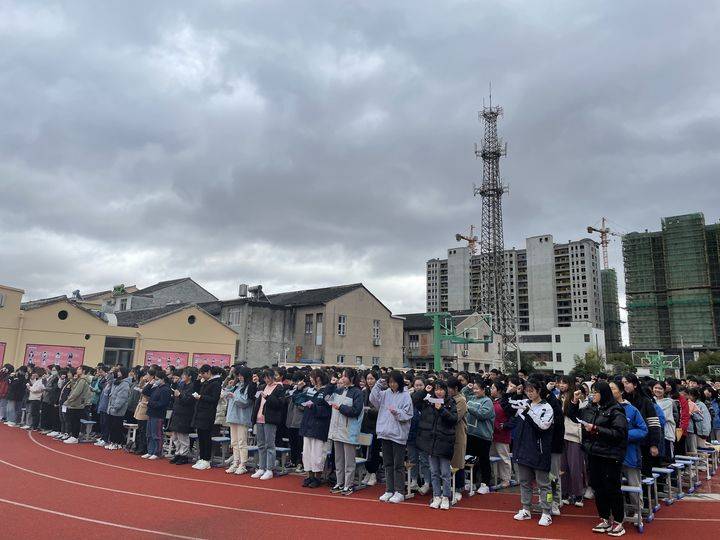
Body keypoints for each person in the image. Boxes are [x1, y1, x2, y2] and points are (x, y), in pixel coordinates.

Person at [568, 381, 628, 537]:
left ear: (604, 393)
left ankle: (619, 521)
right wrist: (574, 401)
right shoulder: (591, 409)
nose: (593, 395)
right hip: (594, 453)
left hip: (611, 454)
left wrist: (596, 429)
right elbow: (573, 416)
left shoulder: (616, 410)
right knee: (598, 487)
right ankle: (605, 518)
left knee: (612, 488)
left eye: (596, 392)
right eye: (592, 392)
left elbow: (619, 434)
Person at [511, 379, 555, 527]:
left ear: (539, 391)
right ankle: (526, 509)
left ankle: (547, 512)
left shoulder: (547, 407)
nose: (529, 393)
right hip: (523, 449)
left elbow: (543, 426)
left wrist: (529, 412)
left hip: (540, 451)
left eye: (532, 391)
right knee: (524, 482)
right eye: (527, 391)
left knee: (544, 484)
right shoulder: (524, 404)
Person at [371, 370, 413, 504]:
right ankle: (389, 489)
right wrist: (378, 384)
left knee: (398, 465)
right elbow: (373, 399)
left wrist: (397, 413)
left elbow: (408, 414)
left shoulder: (406, 395)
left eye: (394, 382)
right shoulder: (386, 393)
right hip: (385, 432)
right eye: (390, 382)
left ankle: (399, 491)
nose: (392, 385)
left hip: (398, 434)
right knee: (388, 463)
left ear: (399, 382)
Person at [417, 379, 457, 510]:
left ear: (446, 391)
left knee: (445, 472)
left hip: (445, 441)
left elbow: (453, 420)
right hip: (431, 441)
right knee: (433, 471)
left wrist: (442, 410)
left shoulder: (451, 402)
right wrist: (424, 391)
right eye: (436, 389)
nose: (439, 392)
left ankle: (446, 496)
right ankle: (436, 496)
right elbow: (415, 402)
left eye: (441, 389)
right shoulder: (429, 402)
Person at [611, 380, 648, 521]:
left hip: (630, 454)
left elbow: (643, 430)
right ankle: (618, 512)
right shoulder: (604, 409)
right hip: (611, 454)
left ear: (621, 392)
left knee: (633, 484)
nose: (610, 391)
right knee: (614, 486)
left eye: (613, 389)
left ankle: (637, 510)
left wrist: (625, 435)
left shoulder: (631, 410)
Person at [327, 367, 365, 496]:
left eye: (344, 376)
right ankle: (339, 482)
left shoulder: (357, 393)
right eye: (341, 376)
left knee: (349, 460)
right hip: (337, 430)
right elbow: (326, 398)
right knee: (338, 459)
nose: (342, 378)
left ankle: (348, 484)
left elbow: (356, 411)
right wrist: (331, 384)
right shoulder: (339, 390)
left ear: (352, 378)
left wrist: (341, 407)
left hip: (349, 430)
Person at [295, 368, 333, 488]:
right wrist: (298, 390)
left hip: (320, 427)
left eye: (312, 377)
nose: (310, 379)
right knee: (307, 453)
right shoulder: (310, 390)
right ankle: (309, 476)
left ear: (318, 378)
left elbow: (328, 410)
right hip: (307, 425)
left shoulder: (326, 391)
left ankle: (317, 477)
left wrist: (314, 407)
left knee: (318, 454)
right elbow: (297, 399)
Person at [622, 374, 662, 477]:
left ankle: (649, 493)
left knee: (646, 471)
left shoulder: (645, 401)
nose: (624, 385)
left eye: (627, 383)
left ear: (635, 385)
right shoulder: (622, 401)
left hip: (645, 443)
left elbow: (654, 424)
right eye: (623, 383)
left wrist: (654, 444)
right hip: (629, 443)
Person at [251, 368, 286, 480]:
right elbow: (256, 401)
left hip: (270, 419)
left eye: (268, 377)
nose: (266, 380)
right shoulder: (261, 387)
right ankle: (261, 467)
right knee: (260, 444)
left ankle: (269, 469)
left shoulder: (279, 388)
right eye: (265, 378)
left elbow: (280, 404)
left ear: (272, 376)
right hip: (259, 418)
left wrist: (268, 397)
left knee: (269, 444)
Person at [558, 375, 587, 507]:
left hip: (574, 435)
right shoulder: (559, 397)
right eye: (560, 383)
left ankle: (578, 494)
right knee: (563, 467)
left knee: (575, 466)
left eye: (564, 383)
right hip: (561, 435)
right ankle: (565, 493)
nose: (561, 385)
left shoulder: (577, 395)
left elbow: (571, 413)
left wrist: (574, 400)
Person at [191, 364, 222, 470]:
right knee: (201, 436)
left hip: (208, 413)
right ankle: (202, 458)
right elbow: (195, 390)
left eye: (203, 374)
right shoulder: (205, 382)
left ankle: (207, 459)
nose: (202, 376)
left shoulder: (216, 384)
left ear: (209, 372)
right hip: (200, 412)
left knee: (206, 436)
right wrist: (197, 380)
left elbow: (214, 399)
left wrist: (201, 397)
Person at [466, 379, 494, 495]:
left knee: (483, 460)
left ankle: (485, 483)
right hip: (470, 434)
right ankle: (471, 482)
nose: (475, 391)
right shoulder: (471, 398)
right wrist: (467, 388)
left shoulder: (487, 401)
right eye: (474, 389)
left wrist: (469, 408)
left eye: (477, 389)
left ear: (483, 390)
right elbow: (464, 396)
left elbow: (483, 414)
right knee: (470, 459)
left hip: (483, 436)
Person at [224, 366, 255, 474]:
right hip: (233, 416)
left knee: (242, 441)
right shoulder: (237, 386)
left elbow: (246, 402)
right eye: (239, 375)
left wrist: (233, 396)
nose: (240, 377)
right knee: (234, 442)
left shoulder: (249, 386)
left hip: (242, 417)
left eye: (242, 376)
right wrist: (229, 387)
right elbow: (225, 395)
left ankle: (243, 464)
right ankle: (236, 462)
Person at [168, 367, 200, 465]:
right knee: (175, 436)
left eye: (184, 374)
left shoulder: (193, 386)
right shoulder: (181, 384)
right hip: (177, 412)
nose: (182, 376)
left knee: (183, 436)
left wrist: (180, 395)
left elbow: (189, 400)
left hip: (185, 414)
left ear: (189, 376)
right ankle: (177, 453)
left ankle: (184, 455)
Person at [447, 377, 468, 505]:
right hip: (447, 435)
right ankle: (450, 486)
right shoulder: (449, 399)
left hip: (458, 434)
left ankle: (459, 488)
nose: (448, 390)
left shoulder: (461, 400)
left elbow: (454, 418)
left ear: (455, 389)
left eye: (450, 388)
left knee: (458, 461)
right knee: (449, 461)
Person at [142, 370, 171, 460]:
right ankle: (150, 451)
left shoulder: (166, 389)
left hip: (158, 415)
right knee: (149, 433)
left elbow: (162, 403)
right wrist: (150, 383)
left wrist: (150, 403)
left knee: (156, 434)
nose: (156, 380)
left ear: (162, 379)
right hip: (151, 413)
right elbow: (145, 392)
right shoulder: (157, 387)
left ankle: (157, 452)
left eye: (157, 379)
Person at [490, 380, 513, 488]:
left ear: (499, 390)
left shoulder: (505, 402)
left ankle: (506, 479)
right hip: (492, 434)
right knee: (494, 457)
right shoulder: (492, 401)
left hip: (502, 434)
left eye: (493, 388)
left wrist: (505, 425)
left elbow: (512, 418)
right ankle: (496, 477)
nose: (491, 389)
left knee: (504, 457)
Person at [360, 370, 381, 486]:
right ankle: (368, 471)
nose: (370, 381)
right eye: (368, 379)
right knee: (364, 450)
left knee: (374, 450)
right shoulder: (364, 392)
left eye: (372, 379)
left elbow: (380, 409)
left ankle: (373, 472)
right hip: (364, 424)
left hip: (375, 425)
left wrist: (369, 410)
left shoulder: (380, 392)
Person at [63, 366, 92, 444]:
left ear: (83, 371)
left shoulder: (82, 380)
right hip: (75, 403)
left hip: (77, 404)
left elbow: (76, 393)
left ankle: (75, 437)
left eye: (79, 369)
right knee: (72, 420)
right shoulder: (79, 380)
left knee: (75, 420)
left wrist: (68, 401)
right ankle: (73, 436)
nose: (77, 370)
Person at [106, 367, 131, 450]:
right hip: (111, 408)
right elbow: (109, 381)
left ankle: (117, 443)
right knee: (111, 426)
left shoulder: (125, 384)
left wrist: (115, 407)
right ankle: (112, 442)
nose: (118, 373)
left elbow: (121, 398)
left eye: (119, 372)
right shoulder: (117, 381)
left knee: (116, 427)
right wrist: (110, 373)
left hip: (118, 410)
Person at [652, 380, 676, 461]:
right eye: (655, 388)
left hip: (666, 432)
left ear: (664, 390)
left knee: (667, 457)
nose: (657, 390)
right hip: (656, 433)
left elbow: (663, 417)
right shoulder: (651, 400)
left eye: (660, 388)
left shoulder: (668, 402)